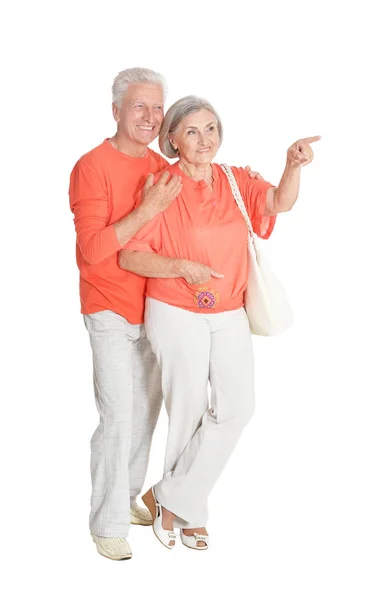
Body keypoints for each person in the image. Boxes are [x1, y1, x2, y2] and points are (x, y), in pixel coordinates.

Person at [69, 69, 262, 561]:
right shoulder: (91, 167)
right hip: (110, 306)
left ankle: (137, 496)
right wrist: (149, 207)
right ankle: (107, 522)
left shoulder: (164, 165)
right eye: (139, 107)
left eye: (157, 108)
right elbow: (94, 249)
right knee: (117, 415)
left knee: (146, 417)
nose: (150, 117)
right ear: (116, 111)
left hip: (158, 308)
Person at [119, 95, 320, 550]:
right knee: (187, 409)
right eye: (191, 131)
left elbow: (277, 203)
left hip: (228, 308)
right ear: (171, 139)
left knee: (238, 406)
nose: (204, 139)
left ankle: (168, 497)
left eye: (211, 128)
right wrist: (181, 268)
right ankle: (189, 511)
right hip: (175, 308)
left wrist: (293, 165)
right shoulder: (159, 185)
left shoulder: (234, 179)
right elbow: (131, 254)